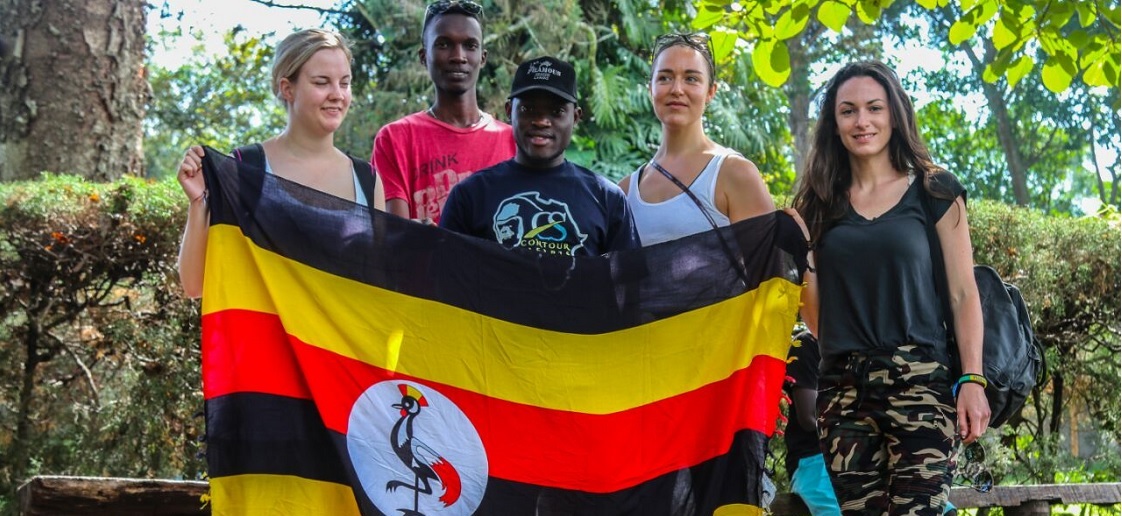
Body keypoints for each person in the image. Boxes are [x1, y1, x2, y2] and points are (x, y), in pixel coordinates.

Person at [791, 60, 989, 514]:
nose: (862, 121)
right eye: (848, 111)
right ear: (833, 123)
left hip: (920, 383)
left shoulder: (934, 190)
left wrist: (973, 379)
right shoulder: (817, 203)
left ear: (894, 114)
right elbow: (817, 317)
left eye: (874, 108)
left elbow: (963, 294)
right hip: (843, 391)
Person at [177, 28, 386, 298]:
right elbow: (196, 285)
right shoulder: (245, 169)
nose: (337, 94)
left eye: (344, 83)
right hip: (263, 341)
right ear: (287, 88)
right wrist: (199, 204)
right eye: (322, 82)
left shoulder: (368, 180)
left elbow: (383, 289)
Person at [440, 56, 639, 256]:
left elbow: (629, 282)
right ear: (510, 111)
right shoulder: (470, 196)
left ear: (576, 117)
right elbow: (446, 278)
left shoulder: (607, 199)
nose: (542, 121)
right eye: (528, 109)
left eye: (556, 111)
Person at [618, 32, 773, 245]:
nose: (677, 89)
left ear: (710, 92)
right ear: (650, 89)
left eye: (691, 79)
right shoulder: (625, 191)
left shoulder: (734, 173)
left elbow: (769, 271)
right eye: (665, 78)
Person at [371, 0, 515, 225]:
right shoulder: (395, 139)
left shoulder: (512, 140)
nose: (459, 56)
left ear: (483, 57)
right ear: (423, 57)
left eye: (470, 45)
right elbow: (395, 237)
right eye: (444, 44)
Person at [784, 331, 842, 516]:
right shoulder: (807, 344)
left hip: (859, 460)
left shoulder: (861, 347)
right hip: (817, 460)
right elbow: (809, 417)